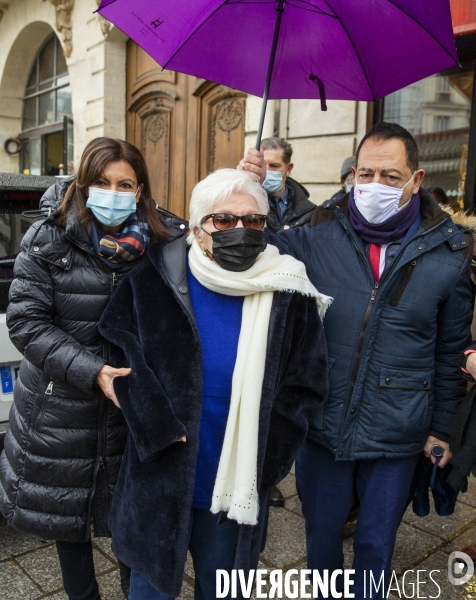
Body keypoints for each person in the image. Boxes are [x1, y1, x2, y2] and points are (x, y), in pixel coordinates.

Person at [249, 122, 473, 598]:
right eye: (365, 173)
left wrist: (442, 429)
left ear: (416, 180)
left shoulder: (448, 253)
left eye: (390, 176)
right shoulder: (317, 231)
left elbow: (450, 352)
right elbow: (252, 251)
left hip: (398, 428)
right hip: (324, 420)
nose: (374, 185)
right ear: (351, 174)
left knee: (375, 545)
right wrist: (246, 192)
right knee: (322, 537)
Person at [97, 168, 330, 600]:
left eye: (253, 221)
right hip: (160, 474)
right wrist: (155, 429)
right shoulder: (155, 277)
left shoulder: (288, 288)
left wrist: (270, 460)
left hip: (235, 486)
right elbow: (119, 348)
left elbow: (306, 384)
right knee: (148, 590)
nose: (240, 230)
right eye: (224, 221)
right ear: (199, 227)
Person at [0, 138, 176, 600]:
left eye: (124, 184)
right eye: (101, 182)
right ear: (83, 183)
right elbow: (25, 321)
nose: (112, 193)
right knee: (68, 521)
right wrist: (92, 369)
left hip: (132, 412)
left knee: (131, 528)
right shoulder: (49, 237)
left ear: (140, 191)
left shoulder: (164, 242)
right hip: (61, 410)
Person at [261, 137, 316, 233]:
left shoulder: (309, 213)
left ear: (288, 169)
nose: (267, 171)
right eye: (262, 165)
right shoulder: (246, 203)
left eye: (274, 166)